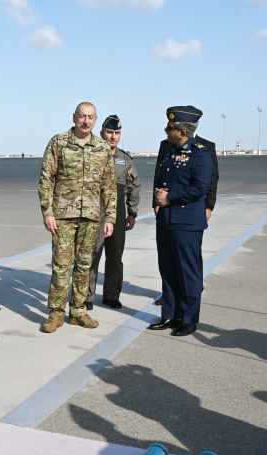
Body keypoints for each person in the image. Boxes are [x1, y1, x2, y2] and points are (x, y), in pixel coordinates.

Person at [38, 102, 117, 333]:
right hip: (63, 215)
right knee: (62, 265)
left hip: (91, 216)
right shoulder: (59, 142)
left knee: (84, 265)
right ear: (74, 117)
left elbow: (109, 185)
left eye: (90, 117)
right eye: (82, 116)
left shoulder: (102, 147)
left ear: (95, 120)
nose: (86, 121)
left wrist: (110, 217)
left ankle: (78, 311)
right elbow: (46, 178)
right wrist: (47, 211)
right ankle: (56, 312)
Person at [148, 106, 212, 336]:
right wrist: (158, 198)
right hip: (166, 220)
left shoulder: (200, 154)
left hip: (186, 223)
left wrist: (170, 197)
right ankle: (170, 315)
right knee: (168, 270)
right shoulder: (169, 151)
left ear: (183, 132)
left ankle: (188, 318)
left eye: (170, 127)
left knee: (188, 272)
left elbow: (200, 187)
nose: (167, 130)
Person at [85, 115, 141, 311]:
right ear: (101, 133)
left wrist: (132, 212)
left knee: (115, 255)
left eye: (117, 133)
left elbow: (134, 186)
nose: (113, 137)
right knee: (92, 254)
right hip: (95, 211)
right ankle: (87, 296)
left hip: (117, 212)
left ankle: (111, 295)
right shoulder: (91, 154)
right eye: (109, 132)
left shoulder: (125, 160)